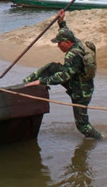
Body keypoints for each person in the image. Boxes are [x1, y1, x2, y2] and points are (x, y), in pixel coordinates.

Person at [23, 10, 102, 139]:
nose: (58, 46)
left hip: (80, 92)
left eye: (59, 43)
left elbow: (64, 76)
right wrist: (61, 21)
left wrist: (41, 82)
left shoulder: (73, 55)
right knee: (52, 67)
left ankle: (100, 139)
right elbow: (68, 32)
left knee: (82, 126)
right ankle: (25, 83)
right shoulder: (77, 42)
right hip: (83, 85)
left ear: (67, 42)